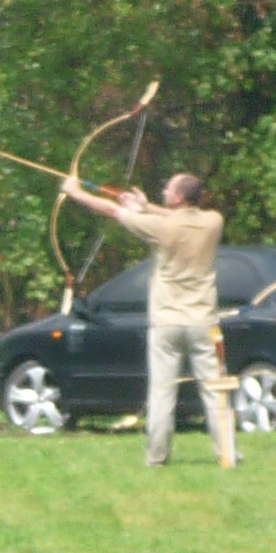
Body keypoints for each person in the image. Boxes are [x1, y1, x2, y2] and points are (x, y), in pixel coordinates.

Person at [61, 170, 234, 466]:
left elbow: (112, 210)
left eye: (168, 189)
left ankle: (157, 456)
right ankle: (228, 453)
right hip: (203, 321)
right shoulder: (213, 221)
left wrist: (76, 192)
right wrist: (145, 206)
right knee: (215, 390)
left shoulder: (160, 226)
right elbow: (177, 218)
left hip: (167, 322)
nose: (163, 191)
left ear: (178, 197)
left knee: (162, 393)